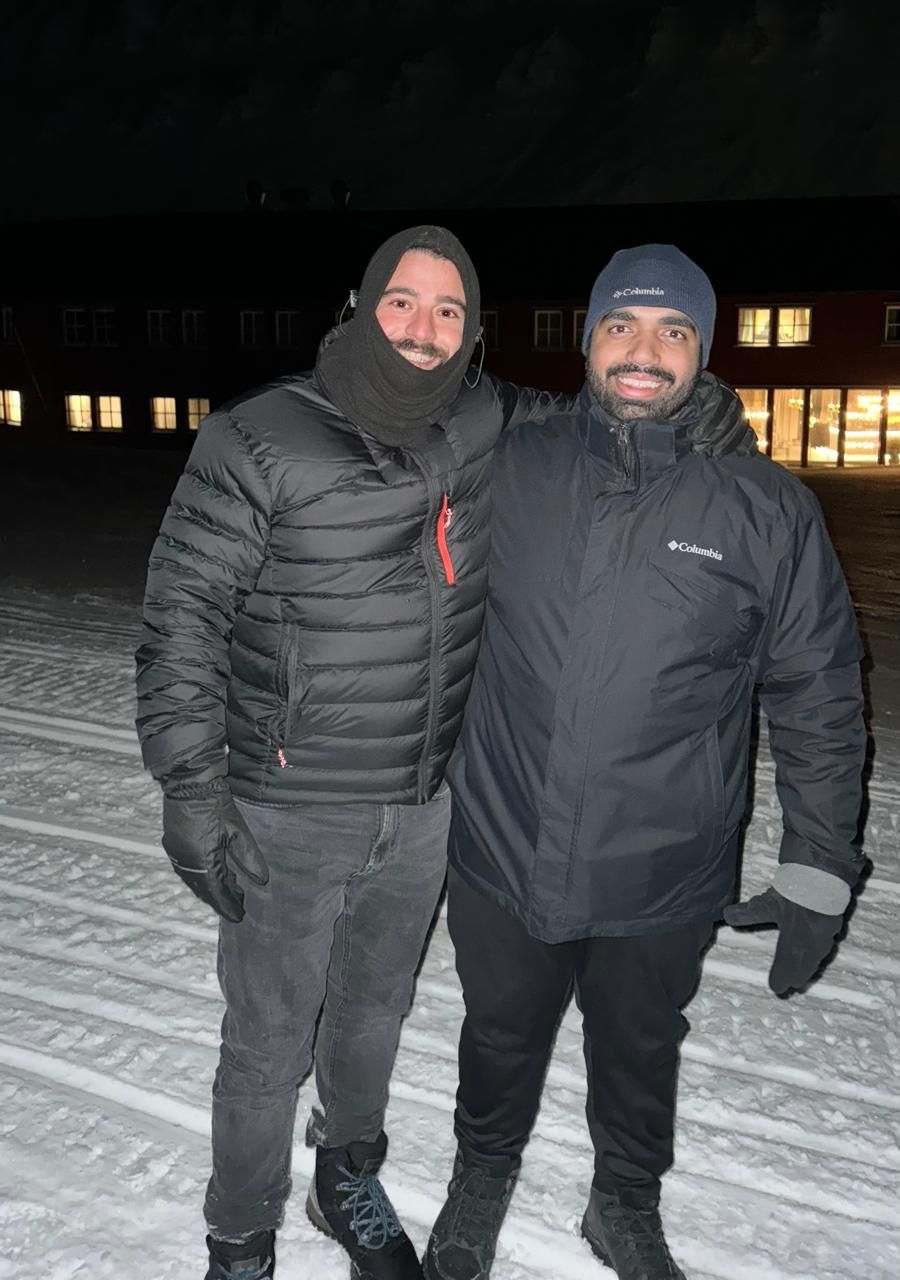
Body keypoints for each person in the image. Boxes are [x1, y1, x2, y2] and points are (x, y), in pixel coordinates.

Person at [424, 244, 866, 1280]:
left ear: (703, 355)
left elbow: (820, 693)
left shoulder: (764, 508)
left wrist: (817, 865)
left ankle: (622, 1200)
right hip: (501, 844)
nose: (644, 352)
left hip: (664, 867)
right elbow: (393, 423)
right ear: (588, 340)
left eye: (675, 332)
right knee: (497, 1037)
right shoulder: (511, 463)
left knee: (639, 1048)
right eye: (623, 324)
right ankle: (479, 1176)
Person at [135, 225, 561, 1280]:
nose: (426, 329)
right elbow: (182, 610)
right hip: (287, 805)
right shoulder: (261, 433)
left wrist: (685, 405)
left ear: (473, 330)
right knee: (267, 1041)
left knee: (375, 1009)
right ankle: (240, 1236)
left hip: (423, 802)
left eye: (450, 310)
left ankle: (347, 1174)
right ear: (361, 304)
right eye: (405, 303)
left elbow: (602, 417)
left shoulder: (484, 417)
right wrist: (192, 785)